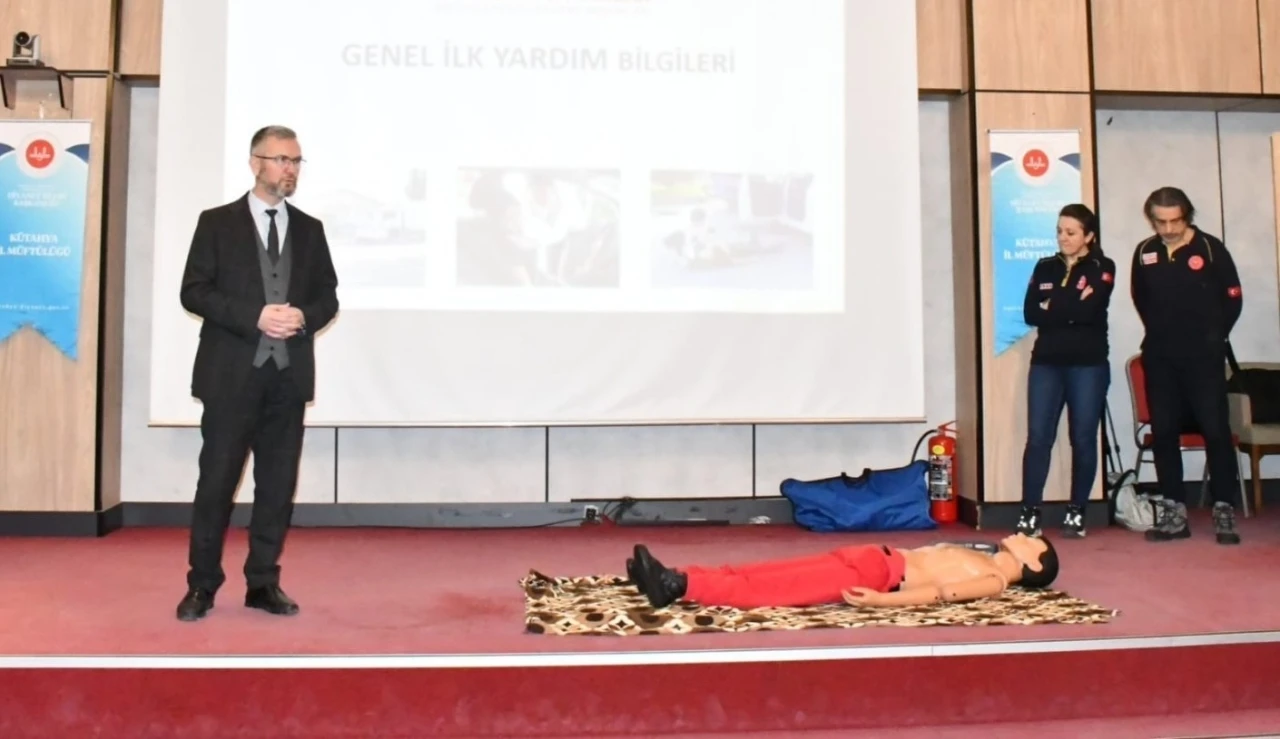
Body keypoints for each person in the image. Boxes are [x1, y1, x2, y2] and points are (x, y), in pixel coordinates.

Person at [175, 125, 340, 622]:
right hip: (230, 377)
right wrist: (255, 316)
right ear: (255, 163)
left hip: (287, 380)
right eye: (281, 160)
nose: (290, 169)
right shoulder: (216, 223)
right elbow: (194, 291)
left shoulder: (310, 229)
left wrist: (303, 317)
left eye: (296, 161)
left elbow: (328, 296)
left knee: (276, 487)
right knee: (216, 485)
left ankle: (263, 582)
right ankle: (202, 584)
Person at [1130, 186, 1242, 545]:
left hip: (1203, 358)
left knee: (1215, 430)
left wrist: (1212, 337)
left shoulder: (1210, 248)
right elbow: (1141, 298)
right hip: (1161, 357)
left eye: (1174, 221)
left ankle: (1223, 508)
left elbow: (1233, 298)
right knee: (1164, 432)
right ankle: (1174, 512)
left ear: (1187, 217)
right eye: (1160, 222)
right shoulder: (1145, 252)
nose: (1168, 229)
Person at [625, 533, 1058, 611]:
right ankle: (675, 573)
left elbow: (942, 594)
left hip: (880, 575)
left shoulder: (994, 579)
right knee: (768, 569)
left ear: (1034, 564)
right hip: (872, 556)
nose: (1025, 534)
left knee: (776, 587)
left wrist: (883, 600)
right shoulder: (983, 554)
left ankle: (678, 585)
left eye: (1033, 541)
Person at [1016, 204, 1116, 538]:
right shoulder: (1045, 266)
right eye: (1059, 231)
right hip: (1046, 363)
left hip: (1088, 365)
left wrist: (1053, 305)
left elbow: (1088, 313)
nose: (1063, 237)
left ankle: (1077, 510)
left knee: (1083, 438)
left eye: (1071, 232)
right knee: (1038, 438)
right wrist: (1071, 302)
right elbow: (1030, 313)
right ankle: (1030, 511)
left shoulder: (1103, 266)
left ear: (1089, 236)